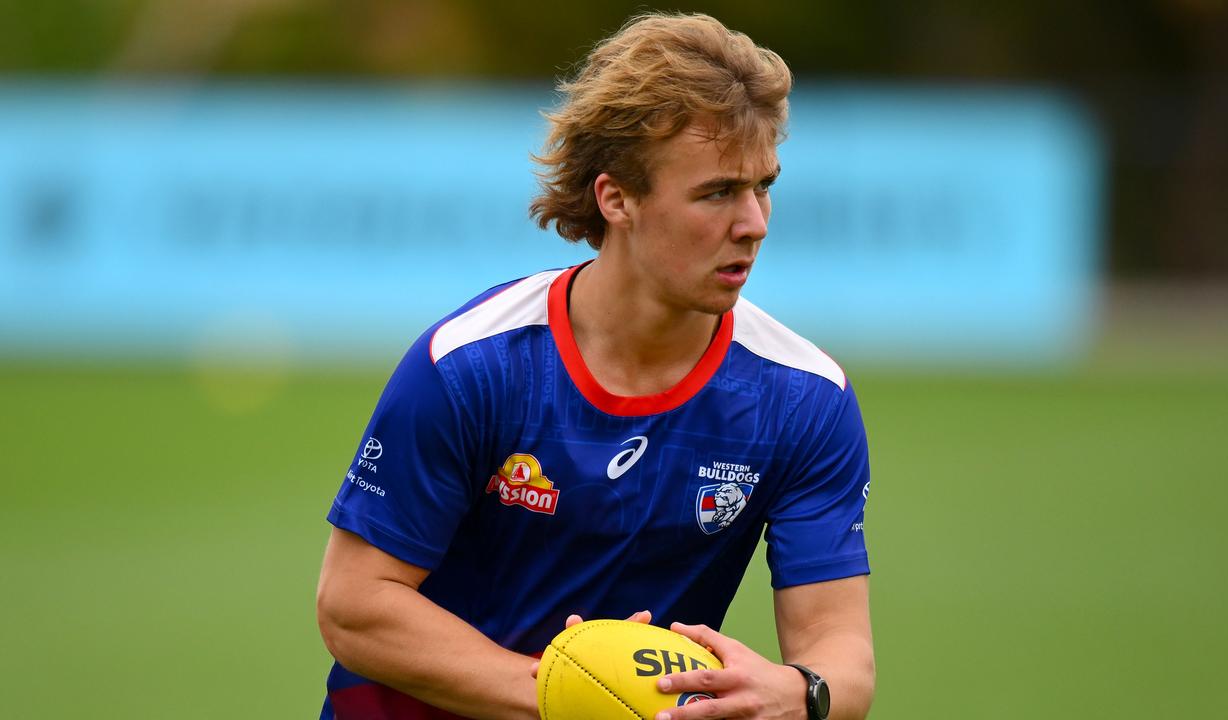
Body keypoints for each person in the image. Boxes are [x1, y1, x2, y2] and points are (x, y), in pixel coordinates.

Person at [316, 12, 875, 720]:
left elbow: (841, 650)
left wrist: (799, 692)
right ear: (617, 199)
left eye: (762, 186)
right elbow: (354, 605)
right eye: (716, 193)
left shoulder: (804, 399)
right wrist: (569, 694)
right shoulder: (471, 366)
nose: (755, 222)